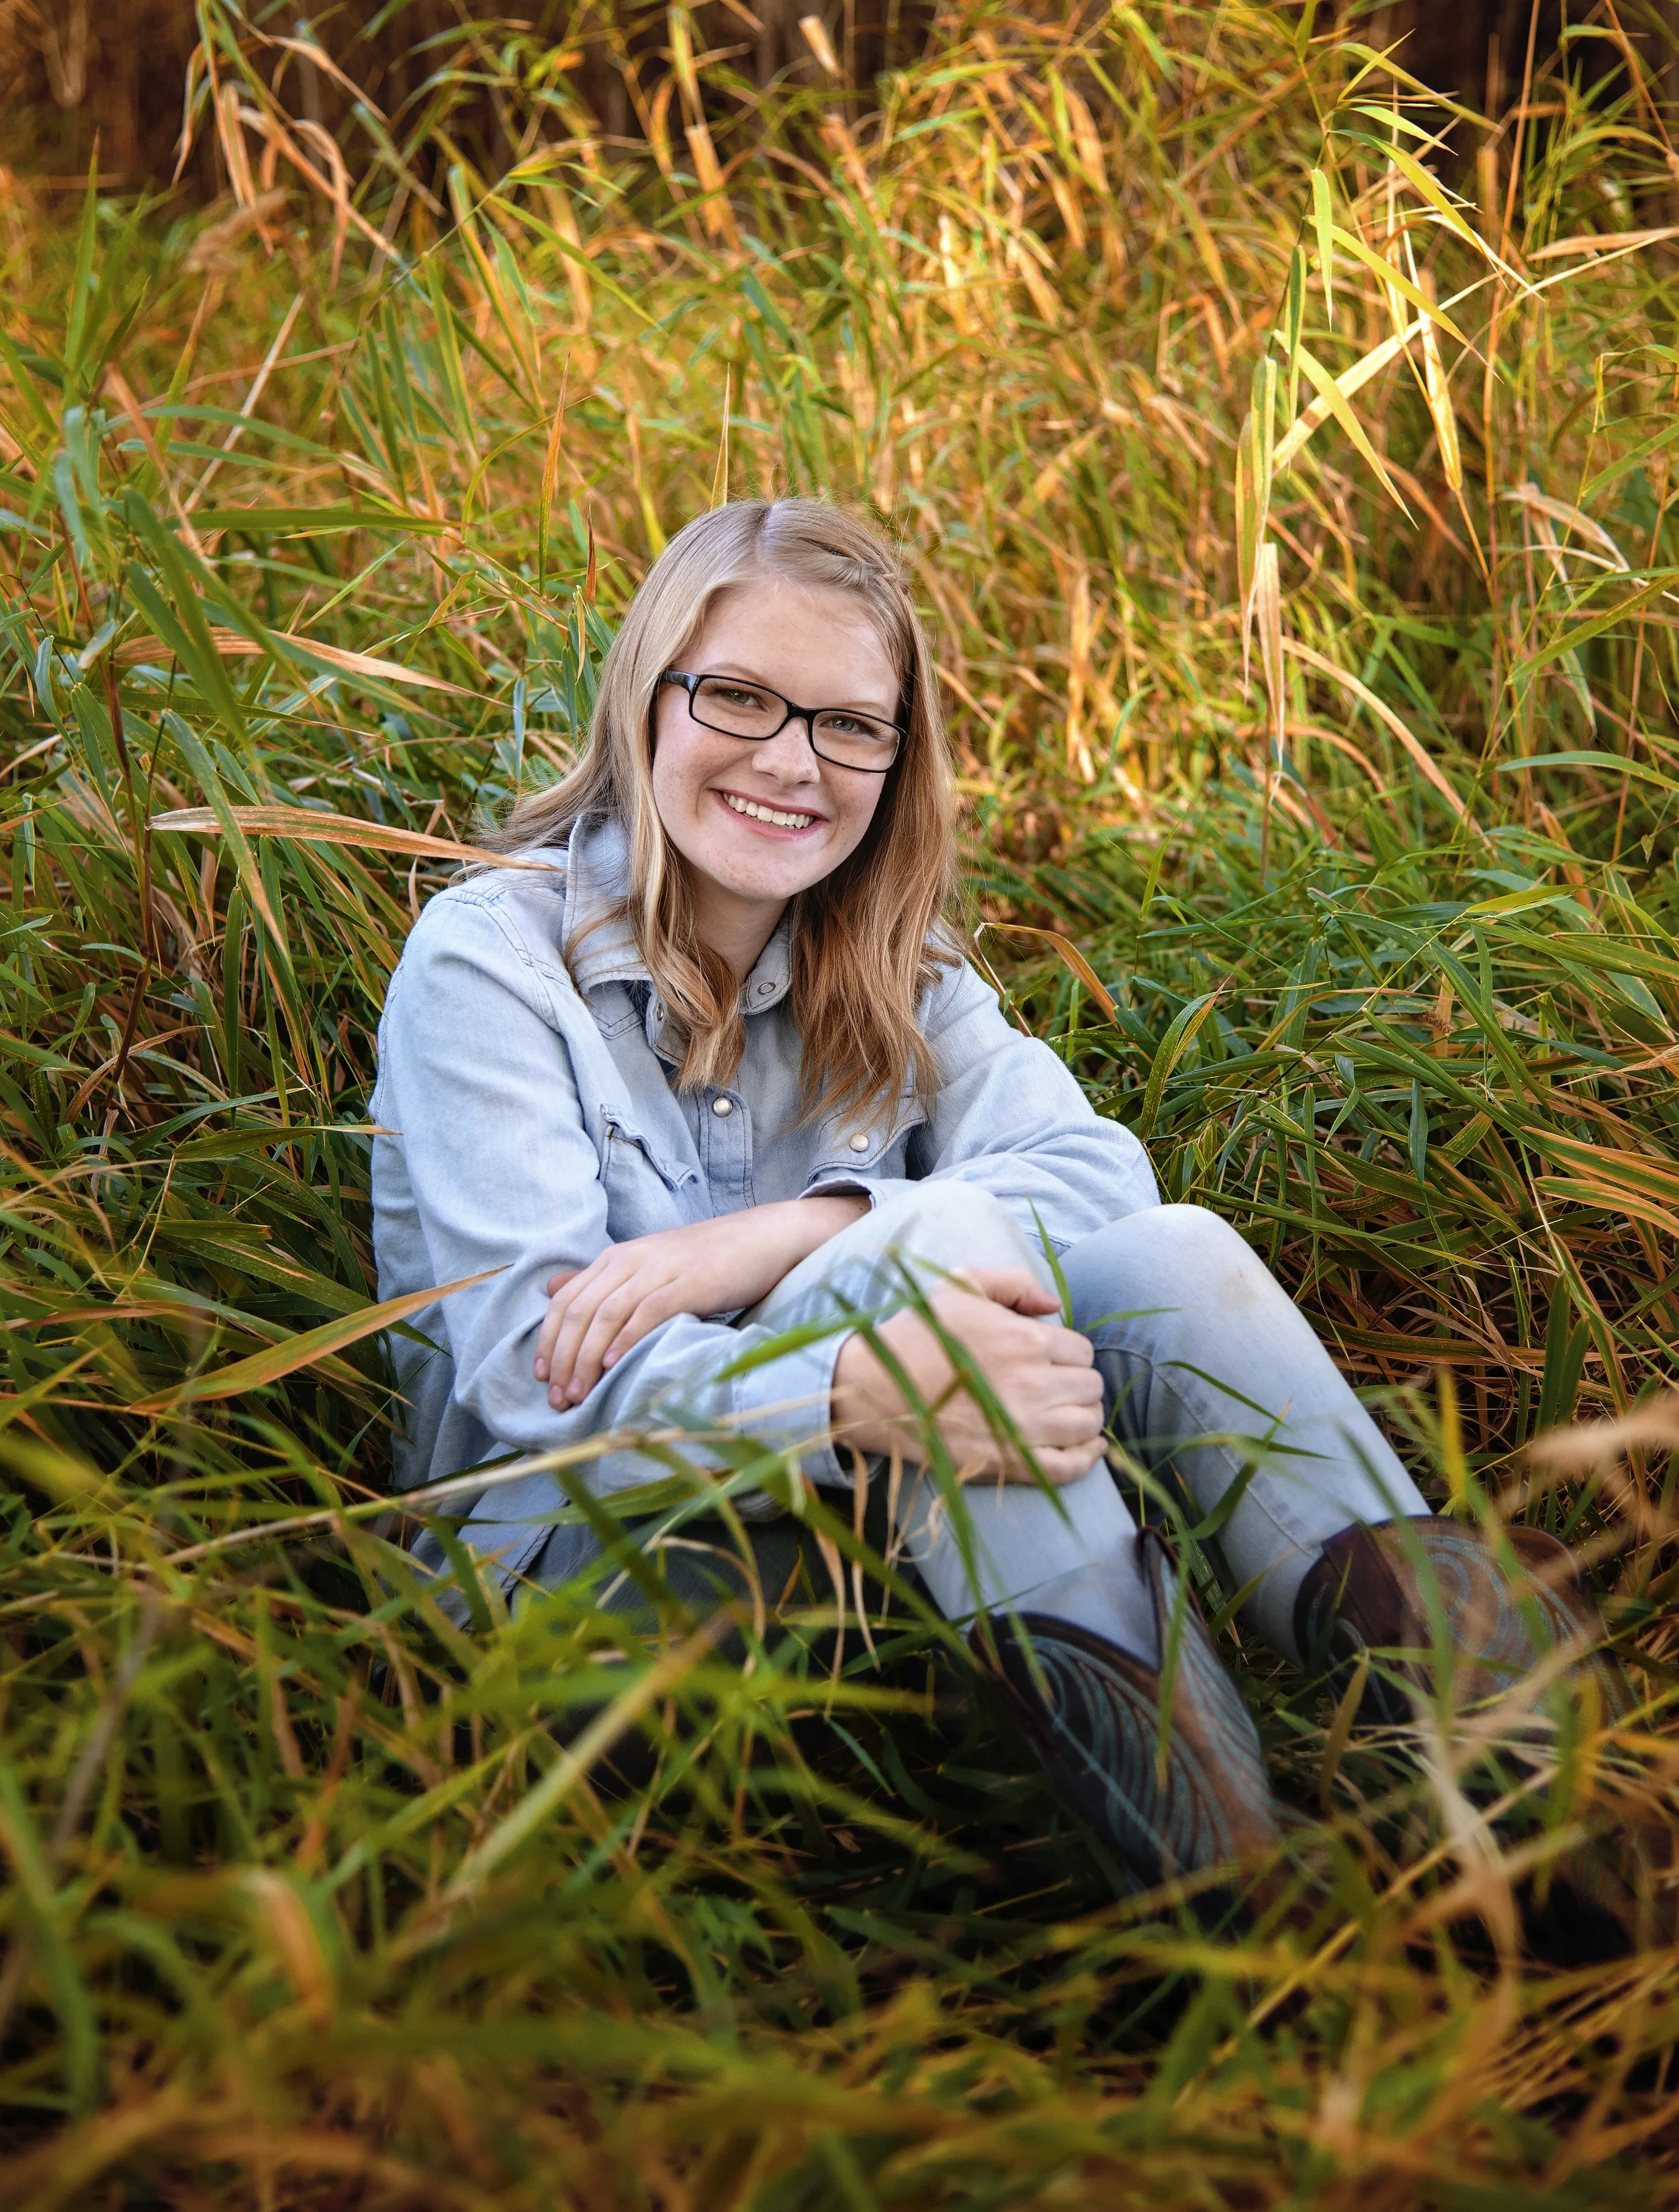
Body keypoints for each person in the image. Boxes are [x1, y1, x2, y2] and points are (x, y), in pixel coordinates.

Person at [371, 498, 1640, 1907]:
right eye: (737, 698)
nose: (791, 762)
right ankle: (1217, 1904)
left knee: (1170, 1256)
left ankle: (1525, 1799)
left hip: (858, 1575)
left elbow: (1101, 1179)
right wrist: (846, 1396)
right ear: (647, 701)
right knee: (944, 1240)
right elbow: (523, 1398)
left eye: (848, 725)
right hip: (566, 1624)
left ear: (894, 758)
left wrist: (795, 1229)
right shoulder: (490, 965)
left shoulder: (894, 971)